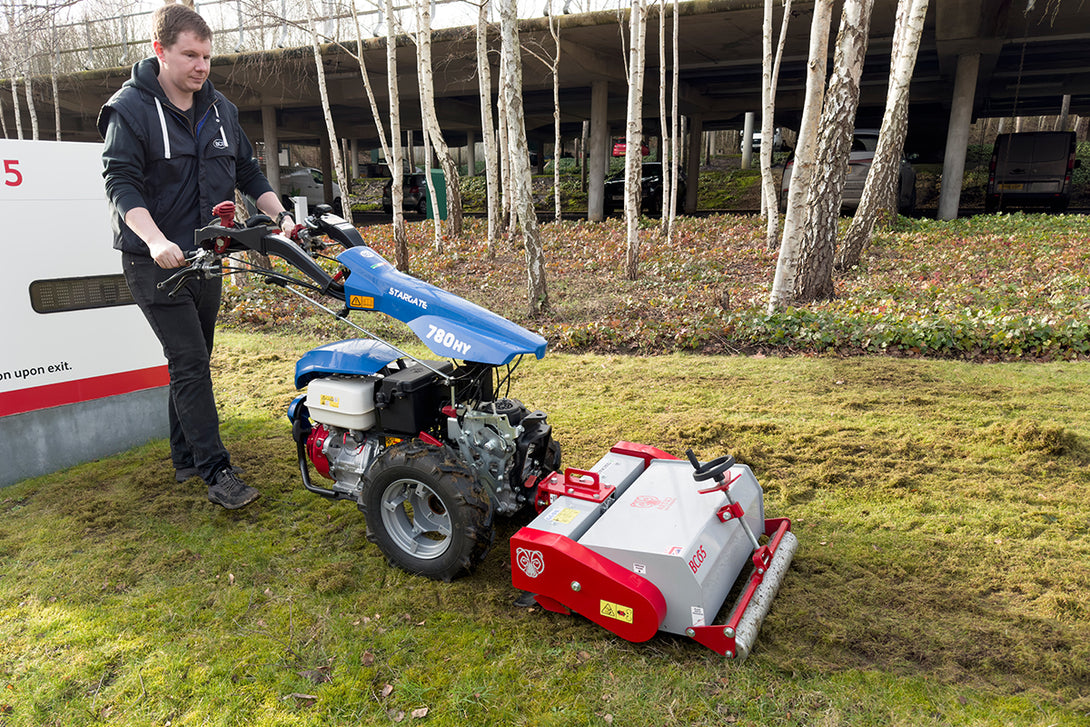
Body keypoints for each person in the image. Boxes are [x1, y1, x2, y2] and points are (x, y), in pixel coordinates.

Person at [99, 3, 296, 509]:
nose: (201, 66)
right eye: (190, 55)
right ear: (159, 51)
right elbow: (120, 183)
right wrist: (154, 239)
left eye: (207, 56)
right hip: (155, 263)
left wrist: (281, 216)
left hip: (207, 257)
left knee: (193, 359)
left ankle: (185, 456)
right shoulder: (130, 109)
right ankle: (216, 470)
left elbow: (248, 173)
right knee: (189, 361)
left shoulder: (220, 111)